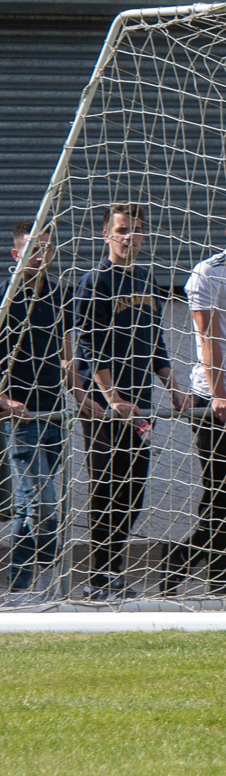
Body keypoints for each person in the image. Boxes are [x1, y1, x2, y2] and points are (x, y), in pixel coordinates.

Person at [73, 202, 192, 601]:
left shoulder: (146, 279)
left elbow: (155, 343)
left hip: (142, 405)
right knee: (106, 489)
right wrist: (112, 398)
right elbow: (88, 345)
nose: (129, 237)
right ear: (107, 235)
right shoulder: (95, 281)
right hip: (106, 406)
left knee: (133, 490)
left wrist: (174, 385)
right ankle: (98, 578)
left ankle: (115, 570)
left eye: (136, 230)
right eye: (121, 229)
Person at [163, 196, 226, 597]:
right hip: (213, 400)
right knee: (220, 489)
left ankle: (183, 558)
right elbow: (208, 338)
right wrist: (221, 396)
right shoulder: (208, 272)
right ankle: (218, 576)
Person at [0, 222, 71, 598]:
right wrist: (5, 401)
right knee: (42, 503)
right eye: (33, 250)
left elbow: (68, 354)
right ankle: (40, 579)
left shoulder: (59, 295)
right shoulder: (5, 297)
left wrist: (82, 393)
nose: (41, 257)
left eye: (47, 249)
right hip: (20, 418)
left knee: (33, 505)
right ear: (17, 255)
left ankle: (23, 585)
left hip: (55, 413)